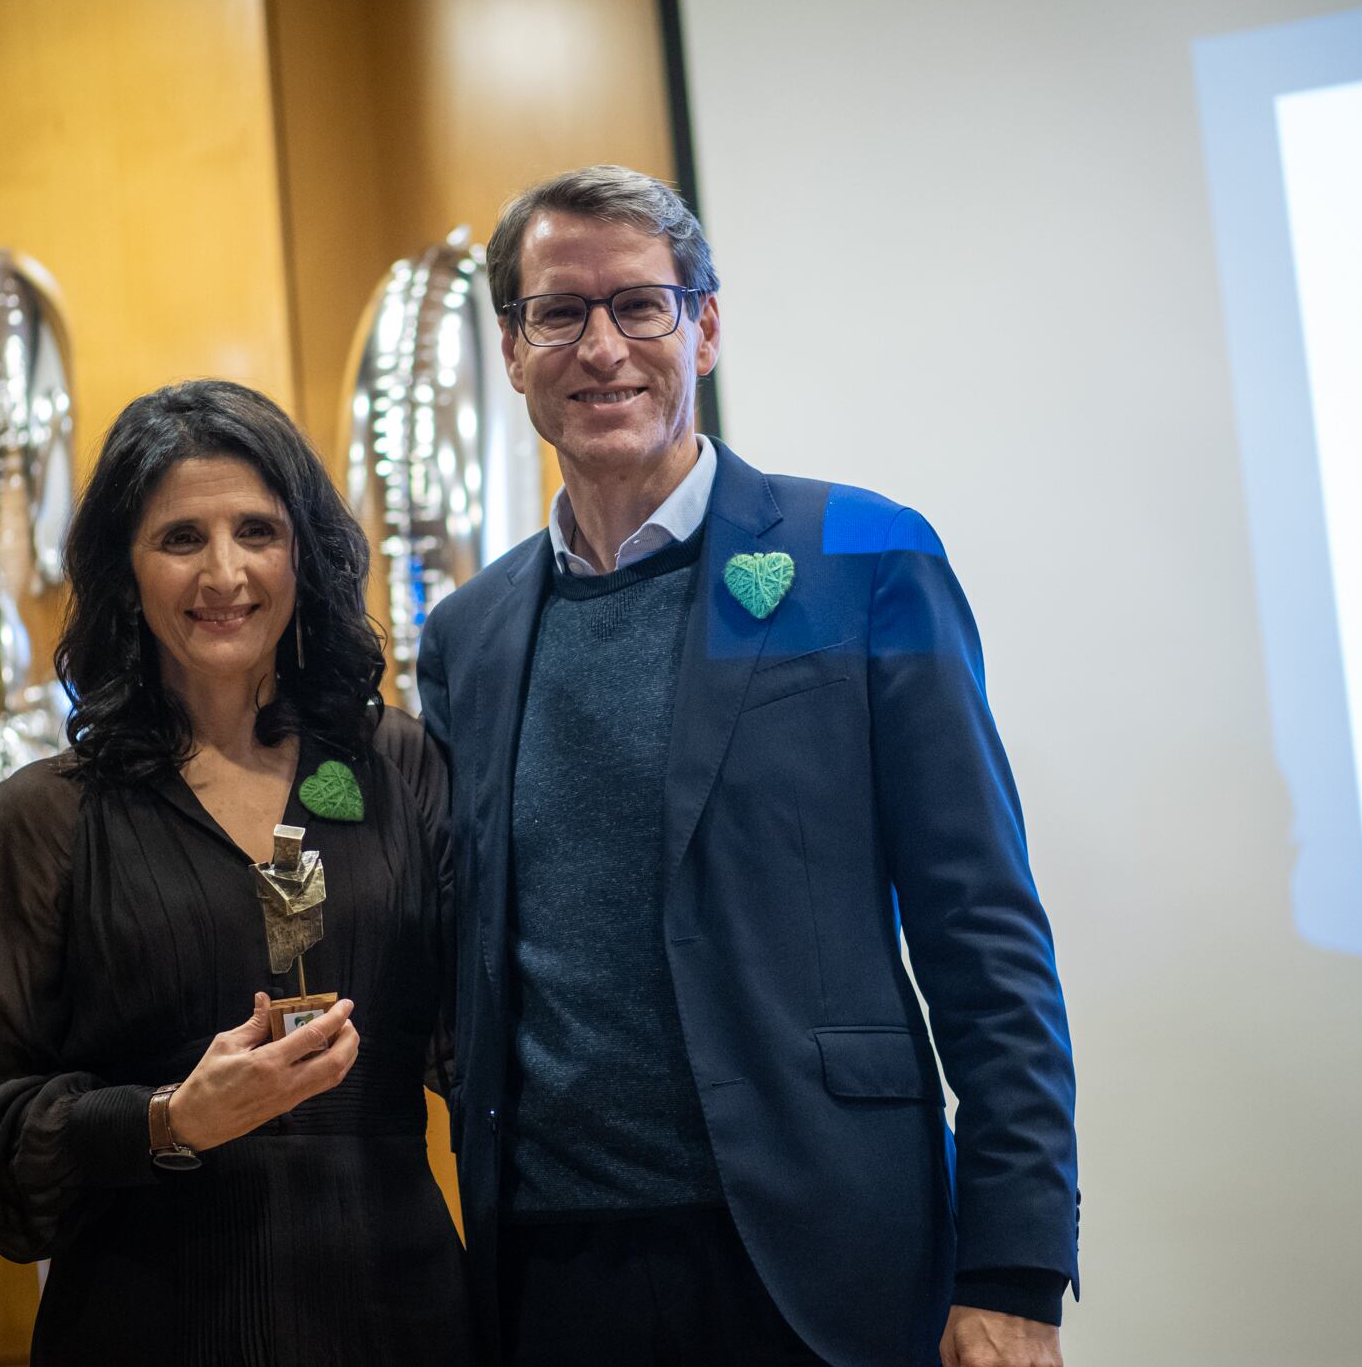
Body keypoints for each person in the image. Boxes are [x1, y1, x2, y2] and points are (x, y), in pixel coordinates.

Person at [416, 166, 1078, 1367]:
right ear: (513, 351)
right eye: (559, 312)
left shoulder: (861, 555)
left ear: (706, 327)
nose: (602, 346)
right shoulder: (469, 636)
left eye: (642, 305)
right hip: (557, 1280)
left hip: (828, 1260)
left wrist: (1015, 1267)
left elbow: (984, 933)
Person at [0, 380, 471, 1366]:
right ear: (123, 572)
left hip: (400, 1317)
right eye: (181, 537)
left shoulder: (398, 767)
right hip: (151, 1324)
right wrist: (169, 1120)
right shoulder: (47, 814)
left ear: (303, 553)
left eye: (257, 531)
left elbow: (481, 1056)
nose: (224, 571)